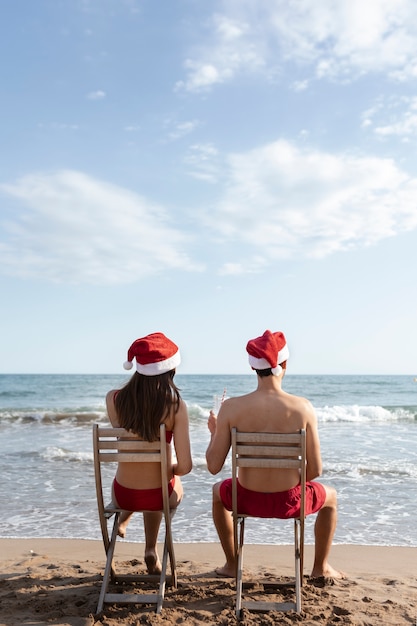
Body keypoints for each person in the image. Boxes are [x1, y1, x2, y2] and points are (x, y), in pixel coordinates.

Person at [206, 329, 344, 580]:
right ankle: (320, 568)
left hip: (244, 499)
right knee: (331, 498)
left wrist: (215, 433)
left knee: (217, 492)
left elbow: (214, 466)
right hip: (290, 502)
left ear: (252, 368)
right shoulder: (303, 407)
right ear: (285, 364)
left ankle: (231, 563)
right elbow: (316, 470)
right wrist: (288, 481)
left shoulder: (231, 407)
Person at [106, 332, 192, 574]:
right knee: (165, 483)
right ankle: (151, 549)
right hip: (158, 496)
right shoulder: (175, 406)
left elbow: (129, 444)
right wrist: (170, 469)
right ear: (169, 370)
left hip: (123, 494)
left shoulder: (113, 400)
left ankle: (123, 519)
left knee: (143, 480)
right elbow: (185, 466)